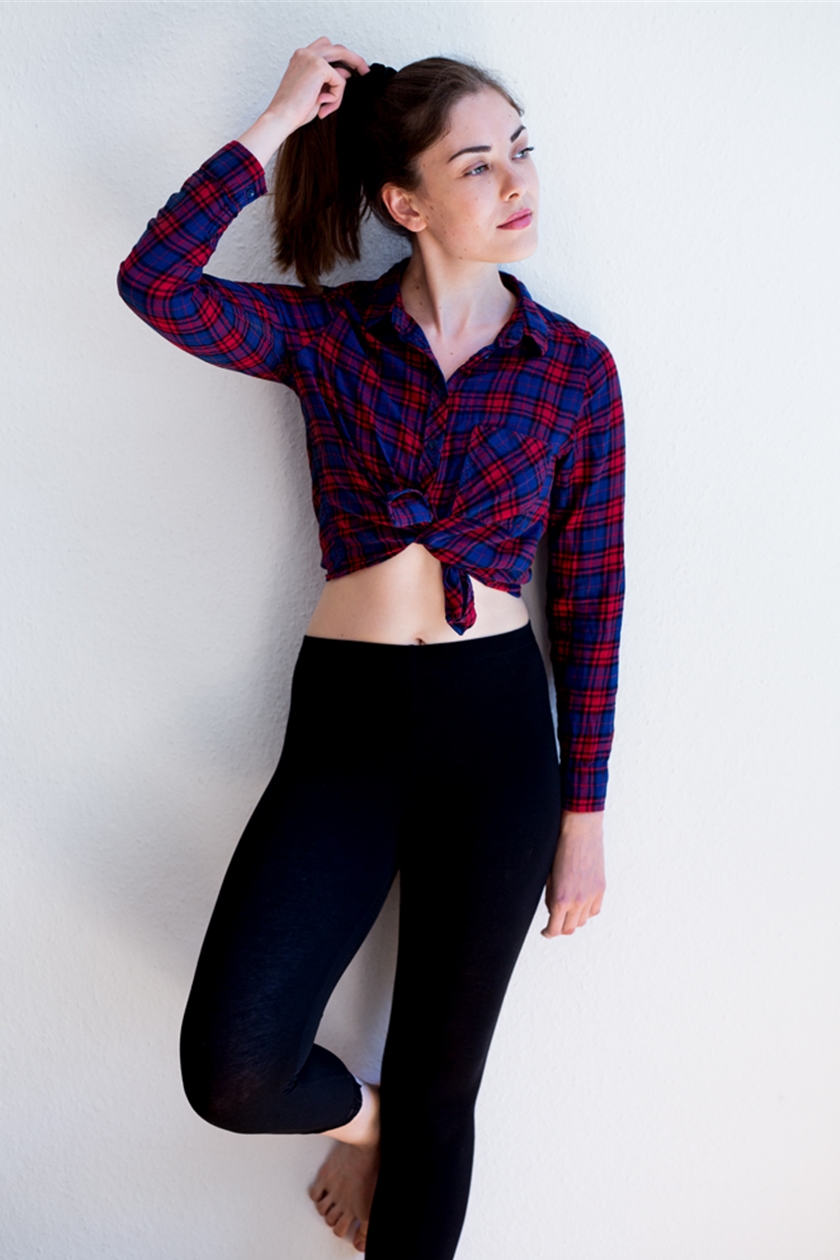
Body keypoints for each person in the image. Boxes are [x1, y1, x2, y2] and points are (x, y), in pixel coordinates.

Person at [116, 36, 625, 1260]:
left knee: (451, 1097)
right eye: (478, 163)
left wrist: (584, 816)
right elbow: (157, 284)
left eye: (521, 150)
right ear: (407, 204)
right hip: (346, 729)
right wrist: (278, 122)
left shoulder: (572, 372)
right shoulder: (328, 338)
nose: (518, 181)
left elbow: (594, 600)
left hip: (498, 739)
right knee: (234, 1065)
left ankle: (416, 1130)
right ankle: (369, 1119)